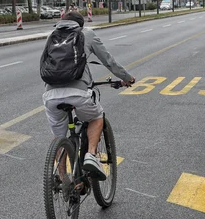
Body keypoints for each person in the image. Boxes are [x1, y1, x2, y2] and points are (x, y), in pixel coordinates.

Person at [41, 11, 135, 180]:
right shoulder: (87, 34)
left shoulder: (53, 36)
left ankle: (63, 179)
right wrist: (126, 78)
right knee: (97, 117)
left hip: (50, 95)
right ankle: (91, 154)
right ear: (80, 25)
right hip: (78, 93)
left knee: (59, 136)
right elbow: (109, 61)